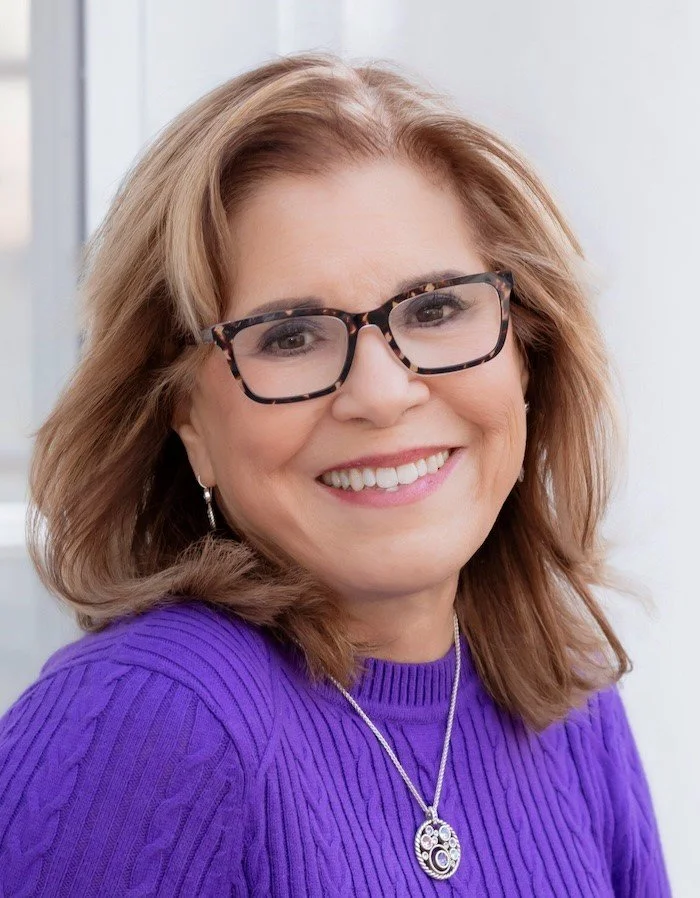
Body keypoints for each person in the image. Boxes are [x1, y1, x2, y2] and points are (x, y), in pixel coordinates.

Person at [0, 53, 671, 896]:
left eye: (435, 308)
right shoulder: (152, 724)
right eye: (288, 335)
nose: (383, 395)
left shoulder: (565, 704)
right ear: (187, 420)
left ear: (528, 355)